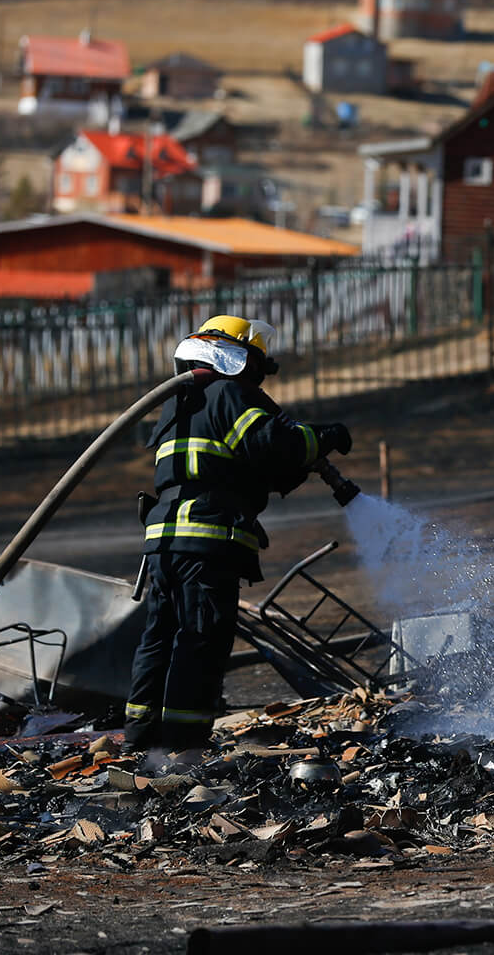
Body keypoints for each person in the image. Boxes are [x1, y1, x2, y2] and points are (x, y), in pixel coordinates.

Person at [126, 316, 353, 752]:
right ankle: (183, 747)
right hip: (206, 538)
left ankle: (141, 738)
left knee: (161, 635)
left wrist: (294, 466)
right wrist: (325, 437)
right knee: (201, 638)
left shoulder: (182, 403)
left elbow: (243, 467)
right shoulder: (229, 394)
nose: (259, 379)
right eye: (256, 365)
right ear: (238, 356)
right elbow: (276, 445)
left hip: (165, 542)